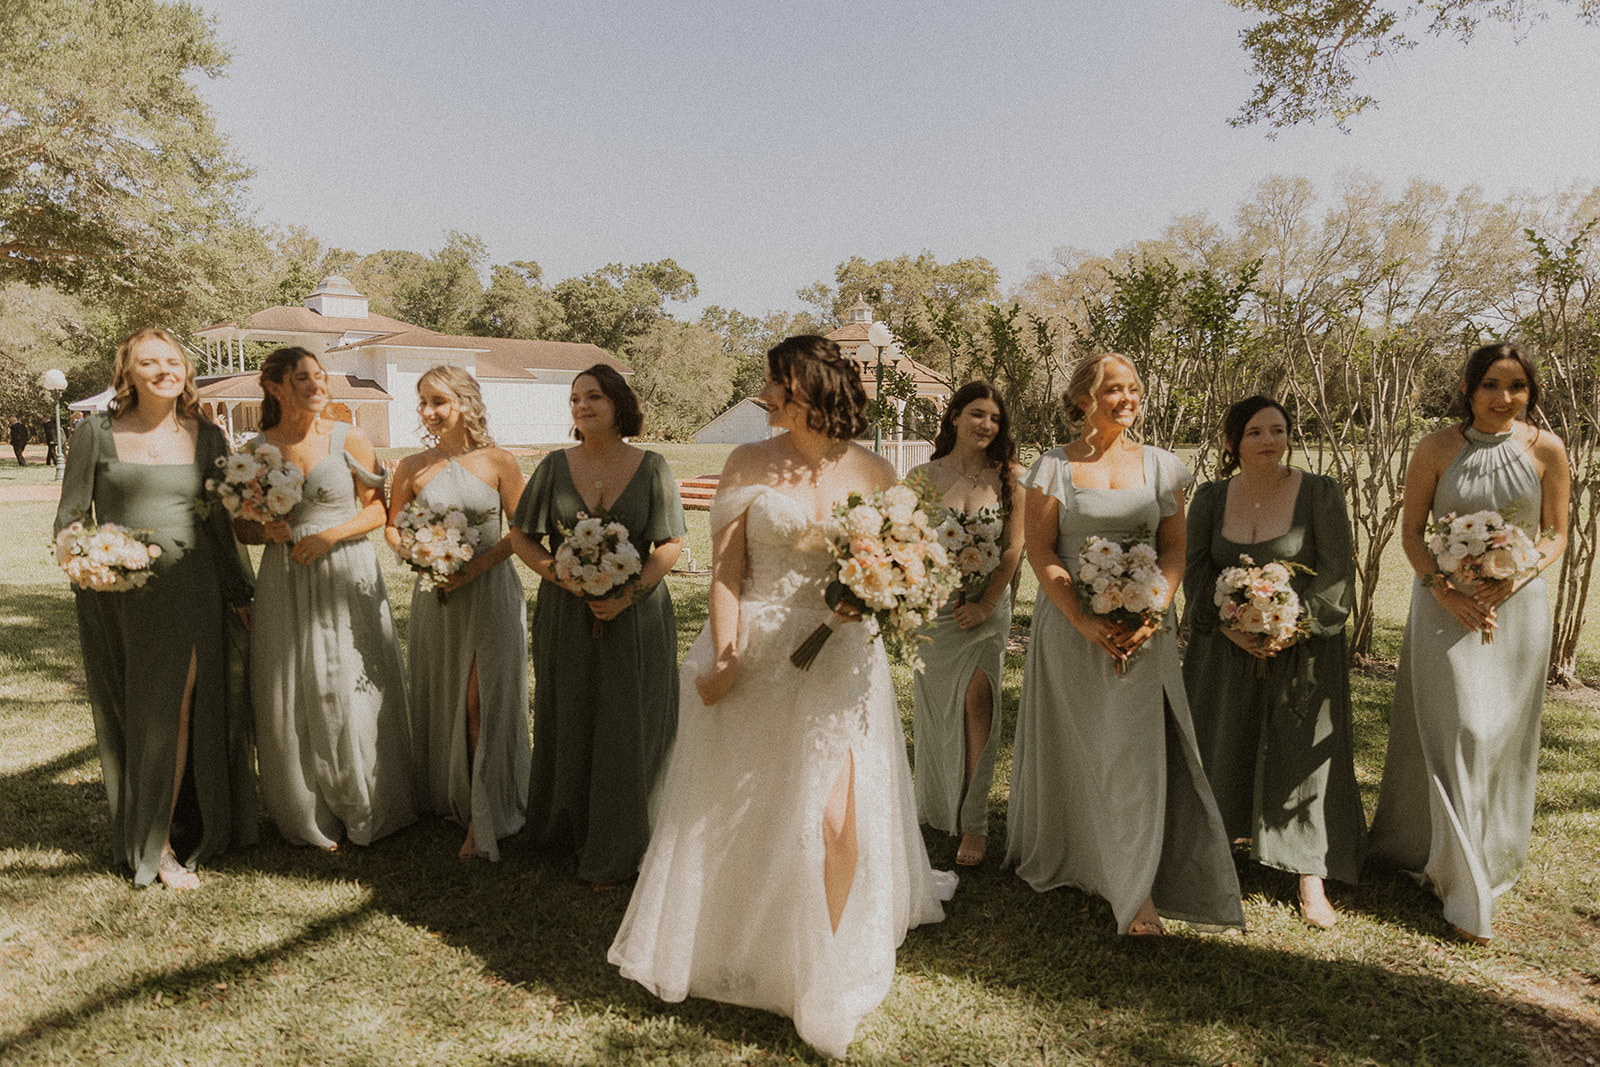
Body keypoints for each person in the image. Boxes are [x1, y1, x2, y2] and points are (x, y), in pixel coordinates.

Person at [609, 335, 955, 1060]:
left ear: (807, 386)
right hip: (757, 647)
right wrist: (726, 656)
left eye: (773, 381)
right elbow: (726, 572)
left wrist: (880, 594)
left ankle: (829, 967)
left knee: (833, 816)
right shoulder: (746, 460)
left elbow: (905, 559)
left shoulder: (875, 469)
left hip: (842, 658)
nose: (763, 393)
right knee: (753, 809)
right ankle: (749, 947)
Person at [1007, 352, 1244, 936]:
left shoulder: (1163, 466)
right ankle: (1083, 858)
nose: (1128, 398)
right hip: (1071, 628)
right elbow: (1041, 550)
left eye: (1134, 388)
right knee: (1083, 746)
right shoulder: (1052, 467)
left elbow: (1174, 548)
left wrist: (1155, 610)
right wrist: (1082, 620)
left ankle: (1136, 892)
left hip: (1144, 628)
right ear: (1083, 399)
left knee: (1133, 752)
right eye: (1114, 389)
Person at [1369, 343, 1569, 944]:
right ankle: (1460, 885)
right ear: (1467, 388)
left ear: (1530, 391)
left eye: (1516, 386)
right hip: (1443, 607)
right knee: (1461, 729)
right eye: (1489, 385)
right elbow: (1411, 534)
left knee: (1496, 736)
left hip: (1518, 609)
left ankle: (1482, 851)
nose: (1503, 398)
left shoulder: (1547, 449)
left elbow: (1556, 534)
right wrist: (1445, 591)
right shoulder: (1435, 448)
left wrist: (1516, 575)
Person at [54, 328, 256, 888]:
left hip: (194, 586)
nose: (165, 370)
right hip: (126, 594)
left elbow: (219, 524)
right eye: (149, 363)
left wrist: (240, 591)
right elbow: (71, 517)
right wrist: (89, 562)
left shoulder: (209, 434)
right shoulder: (95, 433)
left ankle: (162, 842)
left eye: (173, 361)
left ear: (186, 370)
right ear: (128, 372)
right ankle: (152, 830)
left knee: (179, 705)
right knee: (145, 710)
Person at [1182, 396, 1367, 929]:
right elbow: (1196, 571)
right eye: (1256, 432)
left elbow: (1335, 571)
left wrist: (1290, 626)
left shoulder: (1319, 493)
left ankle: (1310, 873)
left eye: (1279, 430)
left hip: (1302, 649)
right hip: (1225, 650)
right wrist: (1227, 625)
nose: (1269, 441)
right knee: (1223, 740)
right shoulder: (1211, 498)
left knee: (1301, 751)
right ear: (1232, 443)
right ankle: (1219, 850)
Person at [509, 364, 685, 887]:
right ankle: (564, 831)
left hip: (636, 616)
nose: (582, 406)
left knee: (627, 724)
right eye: (575, 399)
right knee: (569, 715)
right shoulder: (553, 467)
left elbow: (670, 542)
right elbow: (521, 536)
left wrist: (629, 594)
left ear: (618, 404)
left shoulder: (652, 467)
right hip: (567, 613)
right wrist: (563, 578)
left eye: (594, 397)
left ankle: (622, 842)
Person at [243, 346, 415, 849]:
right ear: (275, 387)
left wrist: (329, 536)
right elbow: (242, 526)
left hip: (344, 568)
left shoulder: (350, 437)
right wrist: (266, 531)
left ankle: (366, 802)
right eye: (303, 378)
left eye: (320, 376)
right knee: (291, 682)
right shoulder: (256, 450)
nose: (318, 385)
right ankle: (308, 811)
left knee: (347, 678)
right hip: (284, 574)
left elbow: (377, 511)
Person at [386, 366, 529, 861]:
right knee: (445, 695)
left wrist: (474, 568)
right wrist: (419, 553)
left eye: (438, 401)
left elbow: (522, 532)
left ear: (465, 403)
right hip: (437, 595)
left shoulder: (499, 461)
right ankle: (452, 795)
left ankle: (482, 814)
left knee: (479, 702)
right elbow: (393, 527)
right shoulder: (411, 466)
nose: (428, 412)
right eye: (423, 402)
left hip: (489, 592)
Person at [906, 382, 1025, 868]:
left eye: (995, 418)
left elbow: (1014, 547)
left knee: (979, 701)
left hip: (986, 609)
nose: (986, 425)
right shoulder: (921, 478)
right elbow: (904, 544)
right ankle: (940, 805)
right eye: (977, 414)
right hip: (934, 611)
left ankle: (974, 822)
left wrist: (986, 603)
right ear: (954, 416)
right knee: (939, 710)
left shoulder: (1012, 478)